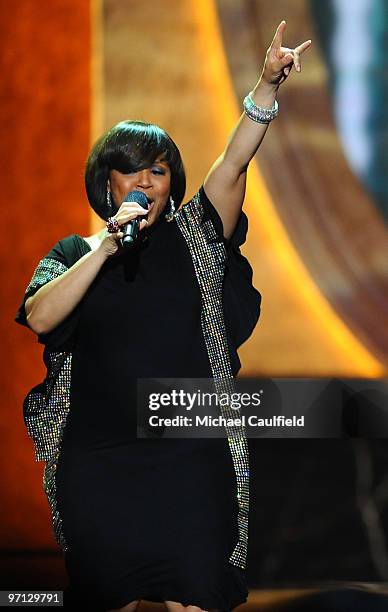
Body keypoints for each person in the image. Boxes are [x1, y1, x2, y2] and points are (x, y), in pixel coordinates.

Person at [15, 21, 311, 612]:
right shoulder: (75, 254)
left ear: (171, 181)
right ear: (107, 182)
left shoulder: (196, 236)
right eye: (133, 170)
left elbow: (231, 165)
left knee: (196, 594)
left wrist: (266, 86)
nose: (147, 182)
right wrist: (105, 246)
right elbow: (42, 319)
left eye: (159, 170)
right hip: (99, 463)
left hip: (189, 458)